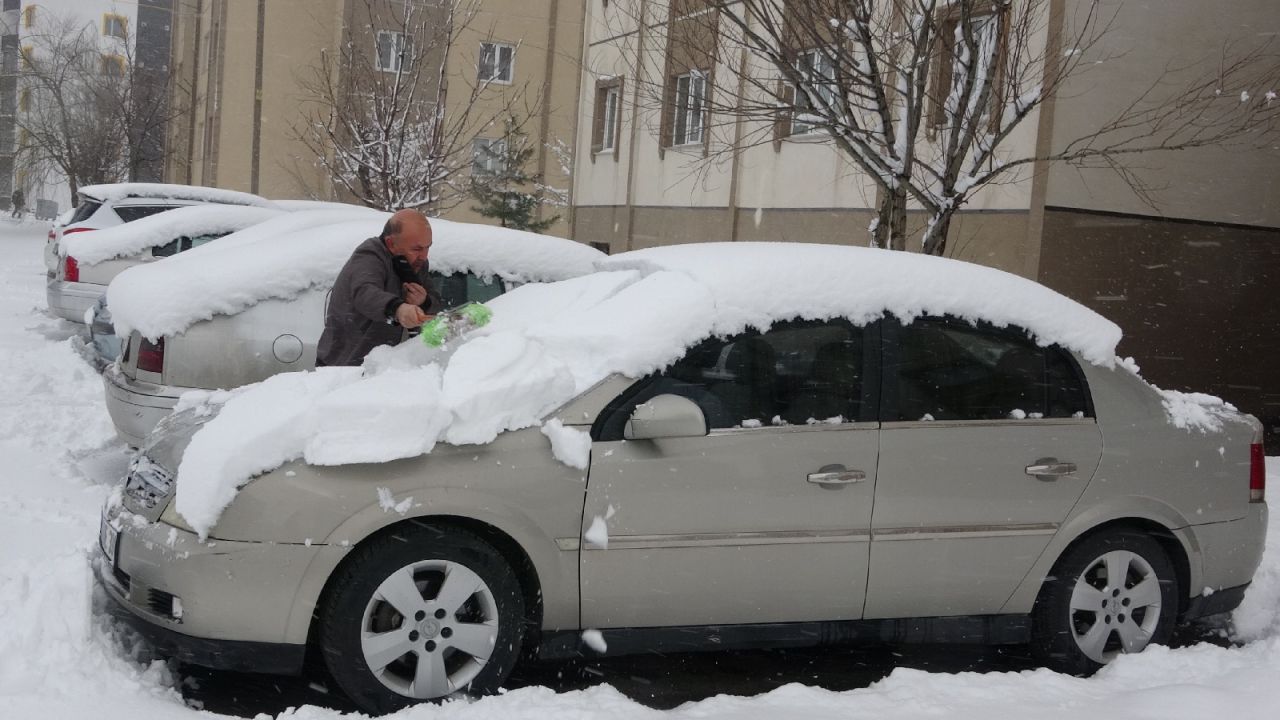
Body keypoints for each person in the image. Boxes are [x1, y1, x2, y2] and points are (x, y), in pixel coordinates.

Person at [316, 209, 441, 367]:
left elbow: (436, 303)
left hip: (383, 368)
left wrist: (424, 301)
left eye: (427, 247)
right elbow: (366, 294)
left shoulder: (417, 263)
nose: (424, 256)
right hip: (345, 368)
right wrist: (398, 309)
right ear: (391, 243)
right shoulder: (368, 257)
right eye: (416, 249)